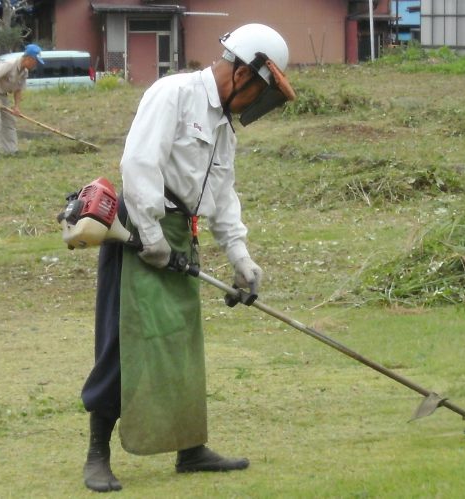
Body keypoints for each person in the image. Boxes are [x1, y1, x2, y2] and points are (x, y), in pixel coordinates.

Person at [79, 23, 296, 493]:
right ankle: (98, 453)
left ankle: (190, 448)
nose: (257, 102)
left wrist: (240, 256)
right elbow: (139, 163)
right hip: (139, 232)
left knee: (181, 343)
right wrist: (152, 236)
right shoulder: (172, 93)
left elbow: (222, 193)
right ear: (241, 71)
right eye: (260, 89)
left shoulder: (223, 128)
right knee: (126, 342)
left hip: (181, 237)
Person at [0, 44, 42, 160]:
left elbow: (18, 90)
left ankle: (11, 151)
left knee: (10, 122)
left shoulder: (24, 72)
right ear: (28, 59)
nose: (35, 65)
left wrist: (16, 106)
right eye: (35, 61)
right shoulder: (9, 65)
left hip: (3, 95)